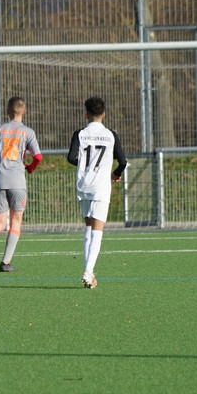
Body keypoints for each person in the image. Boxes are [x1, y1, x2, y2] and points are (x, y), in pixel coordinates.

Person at [0, 96, 42, 272]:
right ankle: (5, 263)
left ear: (7, 112)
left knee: (0, 223)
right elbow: (38, 156)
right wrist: (31, 167)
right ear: (24, 112)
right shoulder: (28, 132)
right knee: (15, 222)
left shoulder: (0, 129)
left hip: (0, 180)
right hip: (17, 182)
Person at [67, 96, 127, 288]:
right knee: (97, 230)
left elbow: (71, 158)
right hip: (101, 186)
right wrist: (116, 173)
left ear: (86, 114)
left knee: (88, 227)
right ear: (104, 114)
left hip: (84, 185)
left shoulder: (80, 134)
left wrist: (85, 164)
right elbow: (123, 162)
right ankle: (88, 271)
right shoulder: (111, 135)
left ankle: (89, 272)